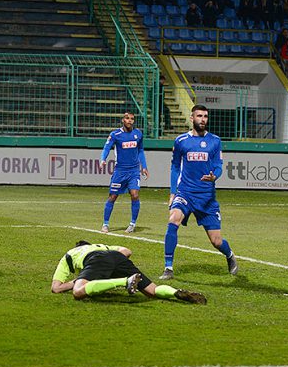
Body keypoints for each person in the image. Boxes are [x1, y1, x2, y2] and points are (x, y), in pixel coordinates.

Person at [161, 105, 238, 280]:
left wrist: (214, 176)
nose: (203, 119)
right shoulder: (181, 141)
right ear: (192, 118)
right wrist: (173, 193)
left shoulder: (215, 141)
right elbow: (175, 167)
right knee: (173, 219)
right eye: (199, 116)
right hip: (186, 193)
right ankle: (168, 268)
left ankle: (229, 255)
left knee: (216, 241)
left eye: (205, 116)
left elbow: (218, 166)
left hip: (206, 197)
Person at [50, 240, 207, 304]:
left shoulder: (69, 255)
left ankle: (126, 282)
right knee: (152, 291)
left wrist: (76, 281)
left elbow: (56, 288)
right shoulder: (100, 245)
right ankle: (175, 292)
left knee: (78, 292)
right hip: (116, 256)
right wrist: (112, 269)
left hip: (96, 260)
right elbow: (127, 251)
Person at [99, 112, 149, 234]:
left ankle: (132, 224)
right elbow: (107, 147)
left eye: (132, 119)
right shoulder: (115, 134)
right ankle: (105, 224)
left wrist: (144, 167)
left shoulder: (138, 134)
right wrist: (103, 159)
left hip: (134, 171)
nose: (130, 120)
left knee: (135, 195)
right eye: (127, 118)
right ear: (123, 120)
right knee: (113, 196)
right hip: (120, 171)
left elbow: (140, 150)